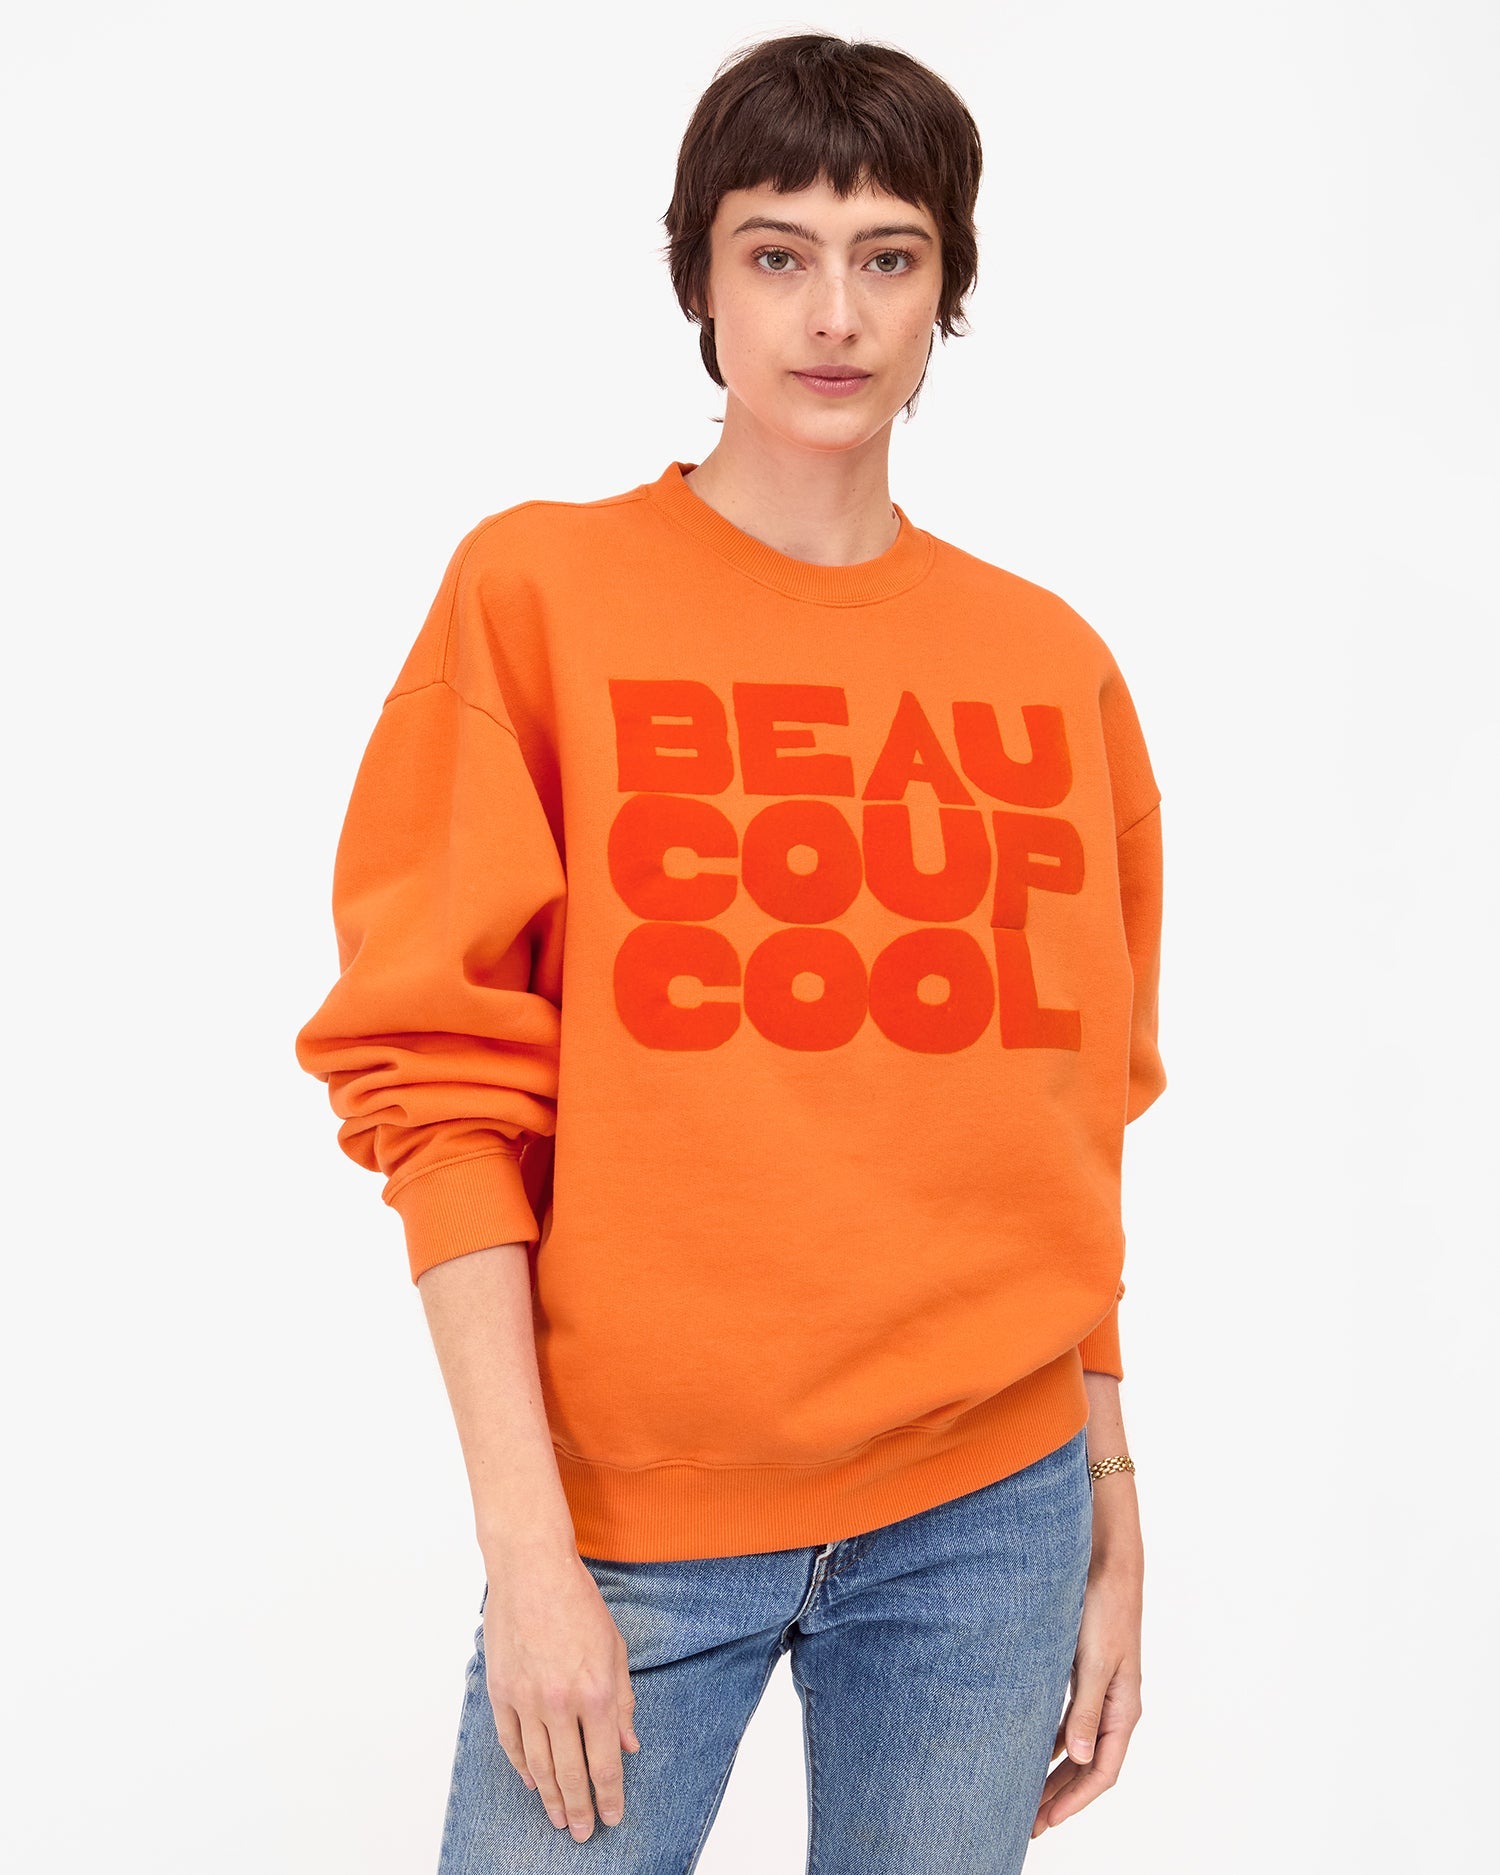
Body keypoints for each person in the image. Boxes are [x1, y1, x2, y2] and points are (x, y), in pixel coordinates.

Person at [295, 31, 1166, 1874]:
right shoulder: (539, 594)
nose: (833, 314)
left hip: (990, 1509)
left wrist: (1110, 1489)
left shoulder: (1051, 667)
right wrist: (529, 1550)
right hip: (631, 1521)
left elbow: (1074, 1116)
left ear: (948, 290)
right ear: (698, 276)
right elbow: (437, 1092)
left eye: (888, 255)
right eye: (778, 253)